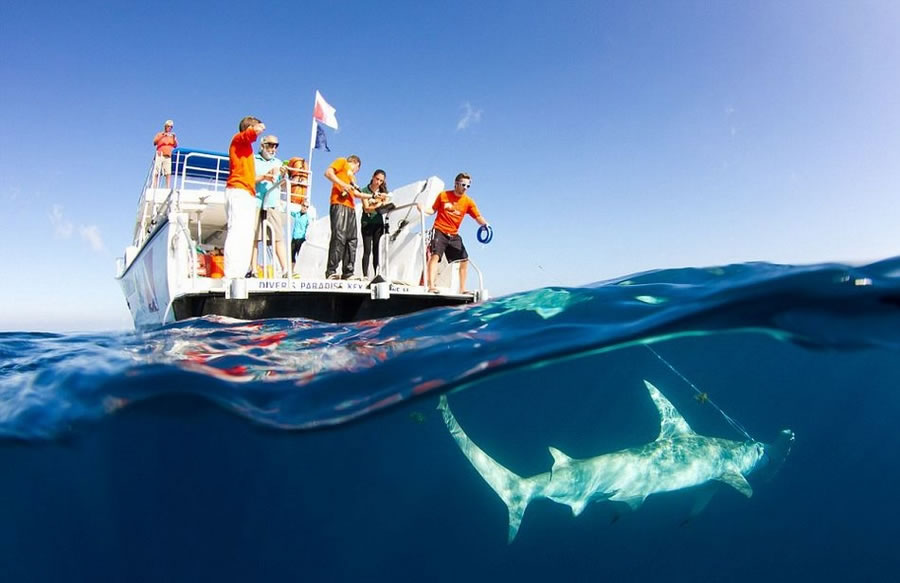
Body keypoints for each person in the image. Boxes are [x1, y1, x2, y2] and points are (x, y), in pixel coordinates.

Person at [419, 172, 489, 293]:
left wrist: (485, 225)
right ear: (456, 184)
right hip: (439, 230)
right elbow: (432, 210)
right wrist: (422, 208)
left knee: (464, 260)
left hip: (454, 234)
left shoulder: (468, 201)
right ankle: (431, 286)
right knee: (435, 256)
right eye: (463, 185)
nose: (465, 188)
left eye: (468, 186)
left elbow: (477, 216)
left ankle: (462, 289)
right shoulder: (443, 195)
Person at [223, 116, 266, 279]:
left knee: (246, 233)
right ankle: (232, 275)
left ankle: (240, 272)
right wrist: (257, 128)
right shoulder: (238, 140)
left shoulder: (247, 150)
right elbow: (248, 135)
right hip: (238, 191)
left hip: (246, 192)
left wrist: (263, 178)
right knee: (237, 231)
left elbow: (248, 177)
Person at [323, 155, 376, 279]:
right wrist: (343, 184)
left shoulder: (353, 178)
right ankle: (331, 271)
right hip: (339, 204)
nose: (357, 171)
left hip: (350, 207)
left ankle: (348, 271)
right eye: (358, 168)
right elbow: (328, 173)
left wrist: (373, 196)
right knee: (339, 236)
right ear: (356, 164)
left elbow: (356, 193)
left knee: (352, 239)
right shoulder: (342, 162)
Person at [249, 135, 288, 277]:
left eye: (275, 146)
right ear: (262, 145)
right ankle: (253, 269)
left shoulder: (278, 162)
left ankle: (285, 269)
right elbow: (249, 180)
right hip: (256, 202)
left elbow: (282, 185)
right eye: (270, 145)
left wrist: (283, 177)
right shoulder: (253, 159)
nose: (273, 148)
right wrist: (264, 176)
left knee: (278, 236)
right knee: (254, 237)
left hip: (272, 203)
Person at [360, 169, 390, 278]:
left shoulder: (383, 192)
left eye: (381, 181)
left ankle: (377, 274)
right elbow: (367, 208)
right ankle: (365, 275)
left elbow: (386, 203)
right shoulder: (364, 190)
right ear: (373, 177)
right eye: (377, 179)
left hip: (378, 223)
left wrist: (378, 202)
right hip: (367, 223)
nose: (378, 182)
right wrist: (378, 203)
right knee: (367, 250)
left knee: (377, 249)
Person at [152, 120, 178, 189]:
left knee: (168, 172)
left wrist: (174, 138)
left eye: (171, 127)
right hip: (160, 154)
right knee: (157, 171)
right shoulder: (160, 134)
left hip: (168, 155)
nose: (169, 128)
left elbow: (175, 145)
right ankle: (154, 186)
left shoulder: (172, 136)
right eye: (168, 126)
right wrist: (163, 135)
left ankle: (168, 187)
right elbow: (154, 142)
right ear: (165, 127)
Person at [290, 199, 310, 277]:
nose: (305, 207)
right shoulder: (297, 214)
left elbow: (310, 227)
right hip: (294, 237)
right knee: (292, 254)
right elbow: (290, 212)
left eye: (307, 207)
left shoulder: (307, 217)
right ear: (301, 206)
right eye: (304, 205)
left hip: (301, 238)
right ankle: (292, 271)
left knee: (300, 255)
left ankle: (300, 271)